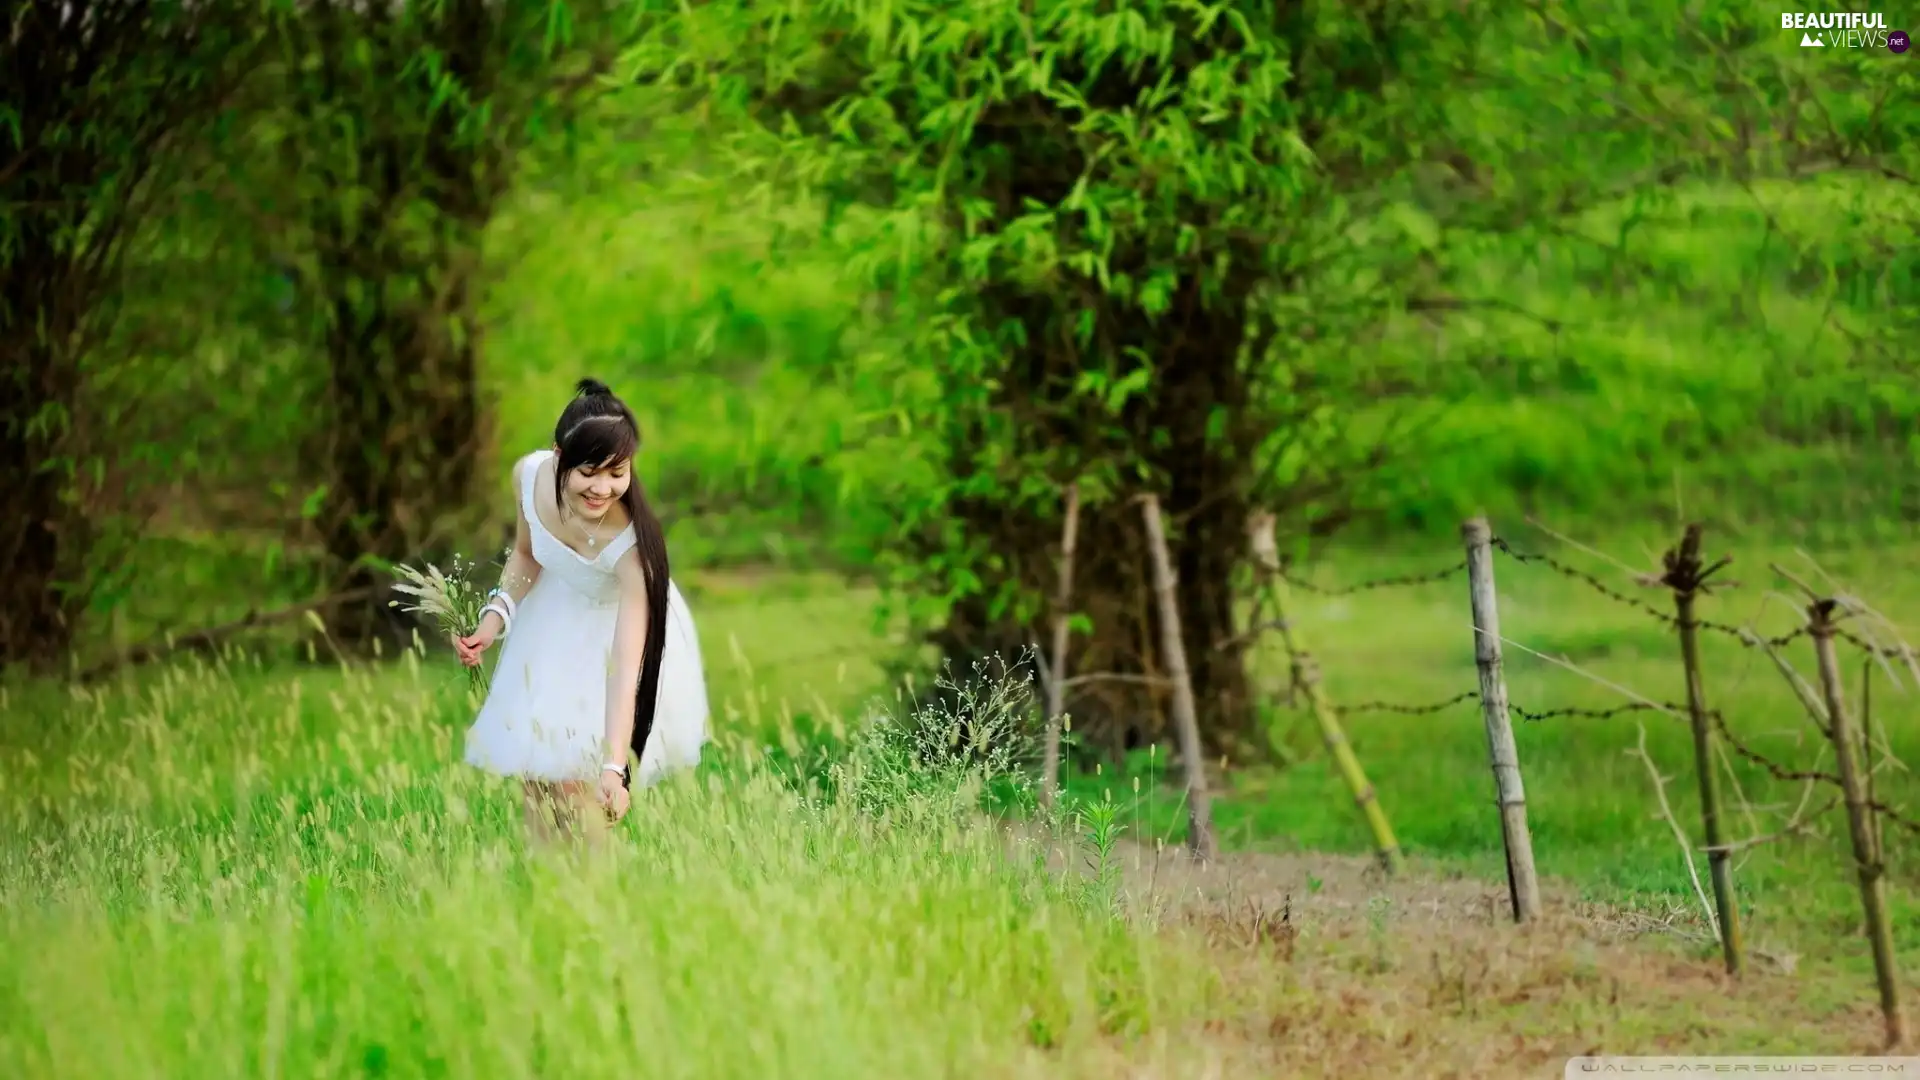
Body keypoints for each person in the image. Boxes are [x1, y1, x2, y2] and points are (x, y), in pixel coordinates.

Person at [453, 378, 710, 845]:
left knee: (580, 788)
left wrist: (616, 768)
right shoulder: (529, 475)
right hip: (554, 620)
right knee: (538, 776)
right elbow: (528, 555)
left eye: (618, 472)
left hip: (616, 640)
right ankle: (547, 892)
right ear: (558, 456)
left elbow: (624, 666)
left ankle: (596, 898)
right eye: (589, 471)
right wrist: (493, 621)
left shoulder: (634, 551)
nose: (603, 488)